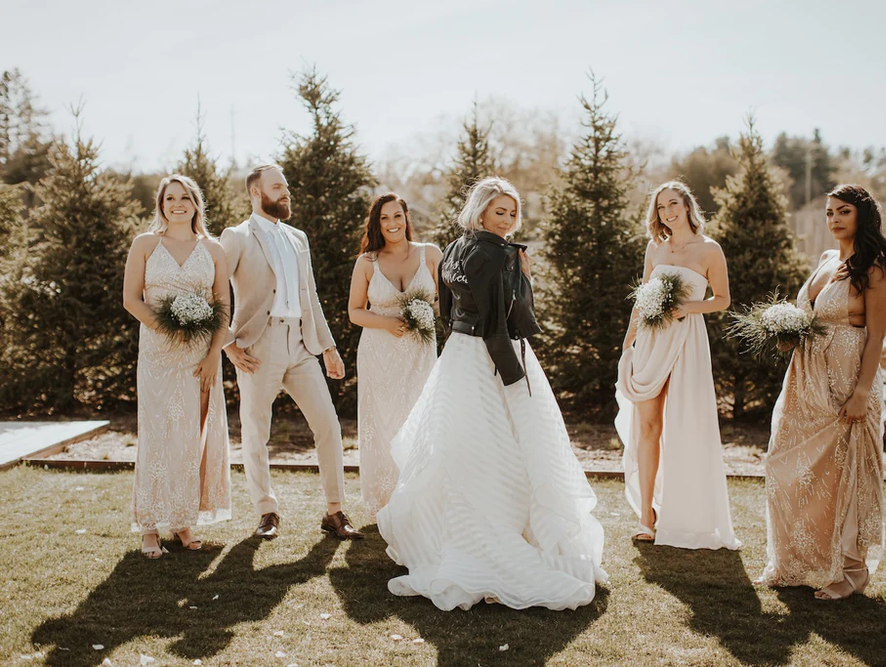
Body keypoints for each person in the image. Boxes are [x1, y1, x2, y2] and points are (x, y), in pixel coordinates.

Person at [377, 176, 607, 610]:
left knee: (458, 444)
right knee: (509, 445)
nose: (507, 219)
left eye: (512, 212)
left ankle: (450, 533)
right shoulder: (500, 253)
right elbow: (509, 318)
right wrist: (515, 375)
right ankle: (499, 536)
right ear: (481, 211)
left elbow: (448, 307)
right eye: (499, 211)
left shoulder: (456, 247)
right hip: (492, 354)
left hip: (459, 354)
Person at [757, 184, 886, 600]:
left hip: (847, 377)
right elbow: (812, 316)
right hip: (805, 380)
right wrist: (787, 333)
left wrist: (861, 392)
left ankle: (849, 572)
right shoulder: (824, 260)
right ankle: (793, 563)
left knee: (842, 473)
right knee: (785, 463)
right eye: (829, 212)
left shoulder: (876, 270)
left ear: (862, 216)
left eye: (844, 211)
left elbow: (876, 338)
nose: (834, 219)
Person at [219, 164, 360, 541]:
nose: (286, 193)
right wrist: (228, 345)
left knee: (328, 425)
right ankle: (266, 511)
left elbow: (309, 296)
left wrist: (328, 347)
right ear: (255, 192)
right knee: (255, 432)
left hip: (300, 345)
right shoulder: (235, 237)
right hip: (256, 347)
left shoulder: (298, 238)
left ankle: (335, 512)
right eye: (277, 187)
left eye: (286, 187)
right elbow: (215, 293)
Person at [616, 181, 741, 549]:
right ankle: (646, 516)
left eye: (673, 203)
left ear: (688, 206)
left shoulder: (709, 249)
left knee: (685, 424)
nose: (667, 211)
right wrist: (629, 343)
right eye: (660, 207)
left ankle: (685, 513)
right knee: (648, 425)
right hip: (652, 342)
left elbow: (722, 300)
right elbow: (641, 299)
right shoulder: (655, 247)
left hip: (687, 341)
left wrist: (686, 307)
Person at [123, 174, 231, 559]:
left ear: (196, 203)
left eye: (185, 197)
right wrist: (170, 328)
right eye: (171, 198)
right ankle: (149, 526)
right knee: (156, 434)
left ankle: (182, 520)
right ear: (161, 204)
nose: (178, 204)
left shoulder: (213, 249)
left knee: (191, 437)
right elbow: (131, 300)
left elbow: (223, 308)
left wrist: (213, 354)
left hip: (199, 358)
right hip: (157, 353)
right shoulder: (146, 244)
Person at [348, 192, 440, 519]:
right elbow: (355, 312)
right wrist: (385, 321)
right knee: (383, 424)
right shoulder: (367, 262)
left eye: (397, 216)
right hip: (379, 354)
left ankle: (419, 497)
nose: (392, 224)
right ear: (377, 223)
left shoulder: (430, 254)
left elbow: (447, 304)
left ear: (406, 217)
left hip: (420, 353)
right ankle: (386, 501)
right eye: (384, 218)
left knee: (419, 421)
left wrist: (428, 315)